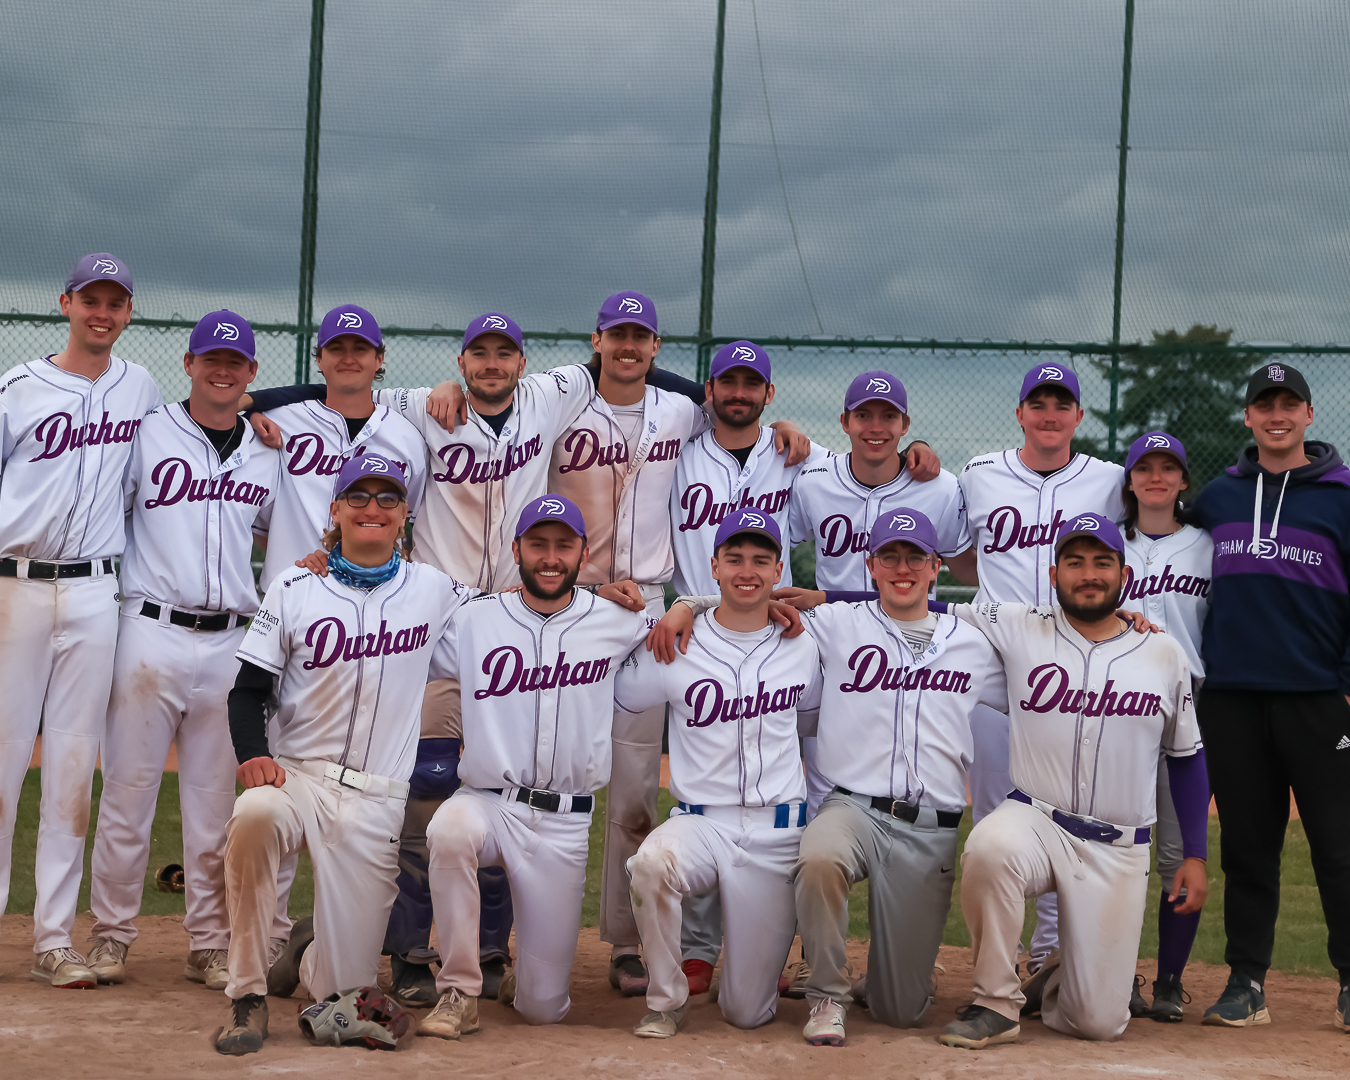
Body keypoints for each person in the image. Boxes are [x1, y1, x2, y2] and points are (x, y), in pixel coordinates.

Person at [247, 311, 603, 1002]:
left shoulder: (554, 393)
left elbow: (628, 368)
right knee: (421, 796)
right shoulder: (417, 406)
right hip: (438, 623)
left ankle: (490, 950)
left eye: (505, 352)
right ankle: (408, 949)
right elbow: (326, 390)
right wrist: (248, 405)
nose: (492, 363)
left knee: (505, 792)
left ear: (522, 362)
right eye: (479, 353)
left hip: (514, 628)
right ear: (461, 361)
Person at [654, 509, 1004, 1045]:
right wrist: (687, 604)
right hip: (852, 808)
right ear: (871, 565)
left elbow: (1048, 651)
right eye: (890, 556)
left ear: (936, 568)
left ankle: (889, 982)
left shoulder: (975, 641)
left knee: (901, 1012)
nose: (902, 568)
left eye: (915, 558)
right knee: (818, 856)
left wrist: (1126, 623)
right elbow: (749, 599)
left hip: (931, 825)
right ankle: (826, 995)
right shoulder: (834, 624)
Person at [547, 294, 811, 998]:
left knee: (652, 797)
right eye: (620, 335)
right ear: (599, 340)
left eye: (643, 336)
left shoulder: (721, 431)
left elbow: (863, 468)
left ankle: (640, 945)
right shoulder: (599, 408)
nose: (737, 394)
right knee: (548, 773)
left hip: (668, 618)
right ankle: (514, 942)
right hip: (580, 606)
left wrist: (910, 451)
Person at [212, 455, 475, 1055]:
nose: (372, 508)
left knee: (342, 995)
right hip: (297, 775)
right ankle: (247, 994)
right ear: (335, 510)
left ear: (405, 515)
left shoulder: (434, 590)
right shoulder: (295, 584)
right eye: (359, 497)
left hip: (377, 797)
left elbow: (514, 616)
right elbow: (249, 688)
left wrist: (679, 605)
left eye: (388, 499)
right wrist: (253, 755)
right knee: (255, 815)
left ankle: (304, 957)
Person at [935, 514, 1208, 1048]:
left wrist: (1194, 853)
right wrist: (820, 596)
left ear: (1123, 576)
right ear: (1055, 573)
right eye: (1076, 563)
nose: (1089, 574)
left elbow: (1187, 757)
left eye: (1102, 563)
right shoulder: (1019, 624)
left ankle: (1057, 976)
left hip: (1118, 848)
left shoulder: (1163, 653)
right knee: (990, 847)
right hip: (1034, 819)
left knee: (1098, 1024)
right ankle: (995, 1001)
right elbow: (920, 603)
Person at [86, 312, 279, 992]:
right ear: (190, 363)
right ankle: (110, 935)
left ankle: (208, 941)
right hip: (150, 631)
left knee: (213, 809)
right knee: (127, 797)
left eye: (236, 361)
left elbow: (269, 533)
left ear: (252, 374)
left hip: (230, 640)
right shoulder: (147, 434)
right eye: (211, 358)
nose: (223, 370)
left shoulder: (266, 451)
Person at [416, 495, 654, 1040]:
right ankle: (458, 989)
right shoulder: (475, 620)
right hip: (487, 803)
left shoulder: (616, 621)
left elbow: (717, 615)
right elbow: (398, 640)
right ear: (517, 548)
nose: (550, 557)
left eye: (563, 545)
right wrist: (323, 566)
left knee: (544, 1009)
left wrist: (691, 604)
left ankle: (522, 985)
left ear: (583, 553)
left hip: (564, 824)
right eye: (538, 544)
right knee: (448, 831)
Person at [0, 252, 162, 988]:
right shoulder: (18, 389)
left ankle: (54, 941)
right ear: (64, 303)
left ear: (129, 314)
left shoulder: (142, 389)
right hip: (15, 587)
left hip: (97, 593)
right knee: (2, 764)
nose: (103, 312)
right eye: (91, 299)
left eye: (115, 301)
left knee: (72, 767)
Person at [615, 509, 823, 1038]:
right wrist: (686, 606)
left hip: (777, 833)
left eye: (759, 560)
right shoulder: (675, 644)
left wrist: (693, 603)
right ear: (713, 565)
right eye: (734, 559)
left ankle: (751, 983)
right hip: (700, 824)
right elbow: (620, 688)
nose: (746, 571)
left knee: (747, 1013)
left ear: (779, 570)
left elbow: (815, 718)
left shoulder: (804, 643)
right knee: (650, 864)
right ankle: (666, 998)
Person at [1189, 363, 1350, 1031]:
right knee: (1248, 846)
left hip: (1318, 698)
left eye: (1290, 403)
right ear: (1248, 417)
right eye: (1264, 403)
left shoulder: (1342, 495)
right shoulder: (1219, 498)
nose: (1277, 413)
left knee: (1338, 846)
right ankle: (1246, 980)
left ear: (1310, 415)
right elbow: (1148, 524)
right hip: (1232, 697)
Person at [953, 362, 1126, 985]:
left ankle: (1052, 955)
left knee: (1067, 815)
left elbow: (1146, 547)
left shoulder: (1111, 480)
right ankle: (997, 961)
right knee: (996, 821)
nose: (1050, 414)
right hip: (997, 672)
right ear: (1020, 412)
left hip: (1073, 674)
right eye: (1038, 403)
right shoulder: (978, 475)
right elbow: (952, 549)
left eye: (1062, 403)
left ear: (1078, 416)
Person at [1117, 431, 1213, 1021]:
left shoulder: (1207, 546)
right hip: (1115, 705)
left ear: (1183, 481)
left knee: (1181, 852)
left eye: (1168, 467)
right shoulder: (1104, 543)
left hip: (1186, 707)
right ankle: (1116, 970)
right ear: (1128, 480)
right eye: (1144, 467)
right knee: (1118, 848)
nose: (1156, 476)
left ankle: (1171, 982)